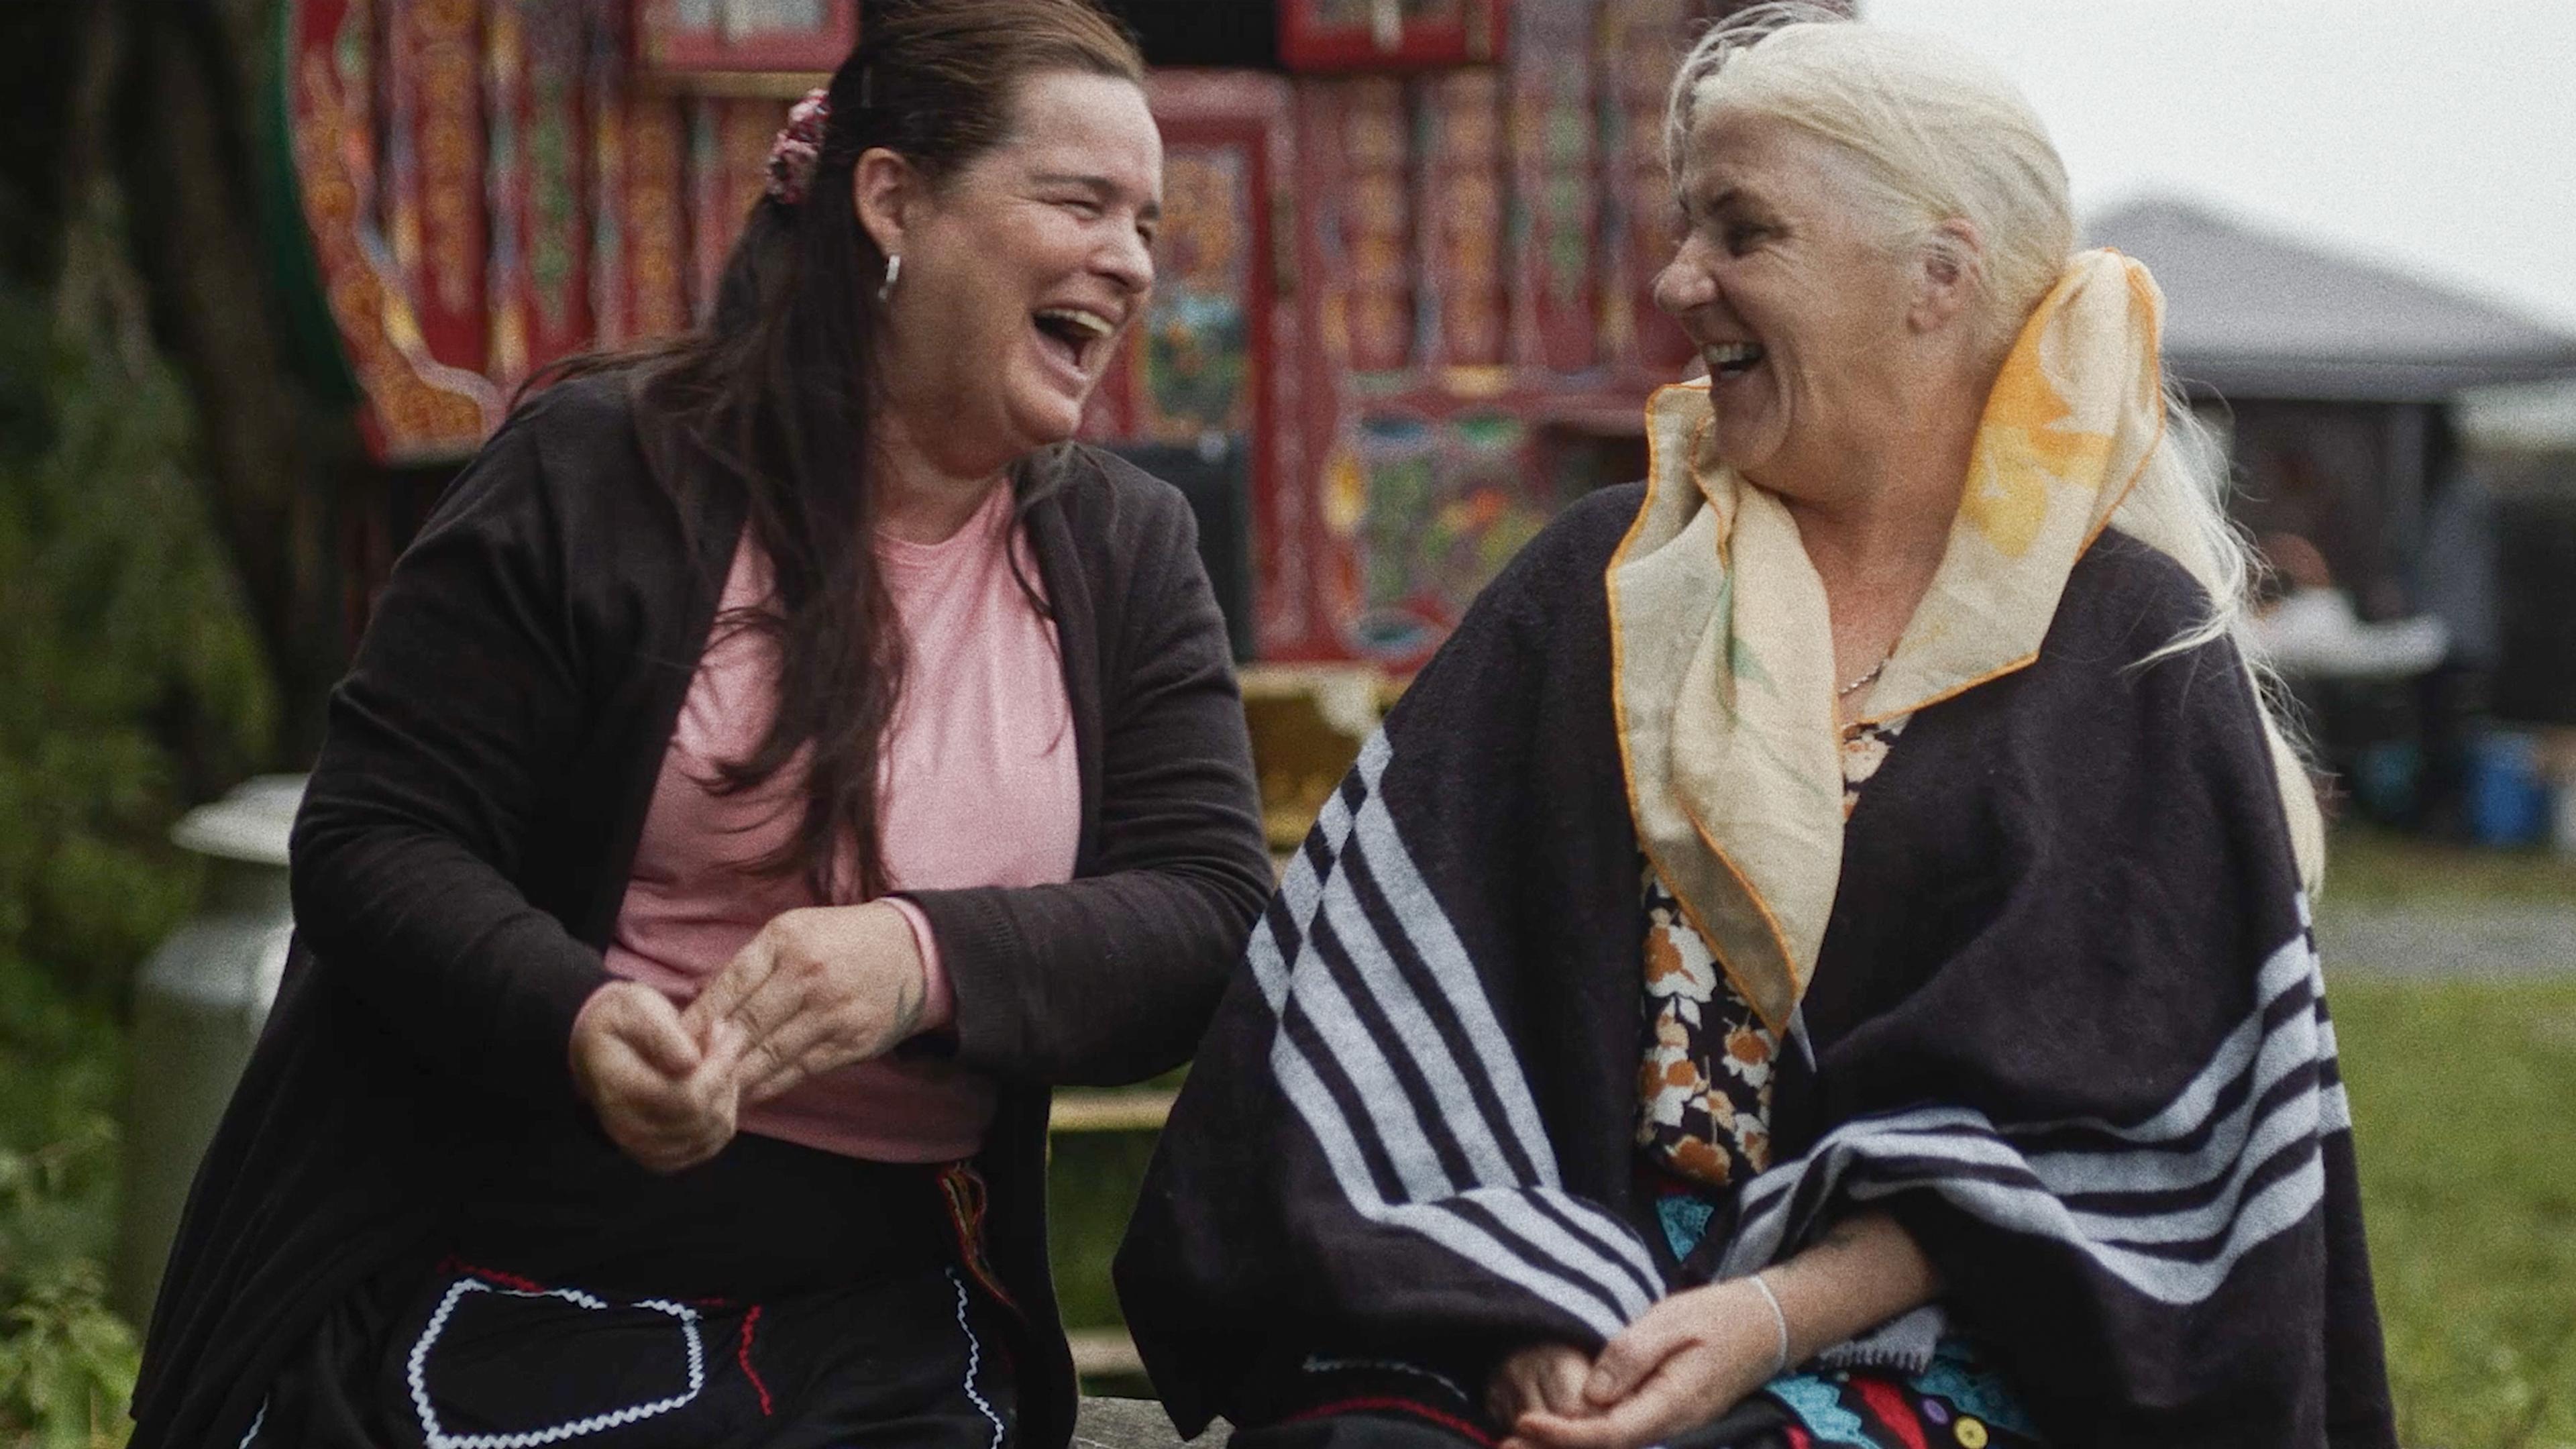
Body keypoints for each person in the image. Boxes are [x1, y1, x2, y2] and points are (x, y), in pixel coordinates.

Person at [1116, 7, 2394, 1448]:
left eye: (1744, 231)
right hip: (1548, 1290)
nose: (1679, 280)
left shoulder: (2128, 647)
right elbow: (1387, 997)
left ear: (1938, 277)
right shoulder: (1602, 584)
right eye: (1685, 228)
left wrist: (1768, 1318)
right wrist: (1521, 1313)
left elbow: (2115, 1132)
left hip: (1936, 1329)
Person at [129, 3, 1273, 1446]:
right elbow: (375, 839)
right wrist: (576, 1016)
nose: (1131, 261)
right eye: (1079, 203)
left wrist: (920, 961)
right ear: (892, 201)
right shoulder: (602, 472)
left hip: (895, 1304)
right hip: (510, 1254)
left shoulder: (1124, 552)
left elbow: (1207, 910)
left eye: (1148, 226)